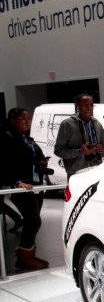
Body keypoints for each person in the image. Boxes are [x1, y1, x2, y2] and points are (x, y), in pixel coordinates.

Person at [0, 107, 50, 270]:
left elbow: (33, 158)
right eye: (24, 119)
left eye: (29, 119)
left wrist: (41, 162)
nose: (28, 122)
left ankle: (28, 255)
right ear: (13, 120)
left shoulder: (28, 139)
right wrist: (16, 182)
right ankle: (24, 257)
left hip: (34, 184)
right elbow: (6, 164)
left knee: (33, 220)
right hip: (21, 186)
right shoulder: (7, 138)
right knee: (33, 221)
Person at [54, 94, 104, 178]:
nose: (89, 108)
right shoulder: (67, 124)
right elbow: (58, 150)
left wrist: (101, 150)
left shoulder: (97, 124)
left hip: (96, 171)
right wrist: (79, 152)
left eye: (91, 105)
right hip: (76, 174)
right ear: (78, 106)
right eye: (85, 105)